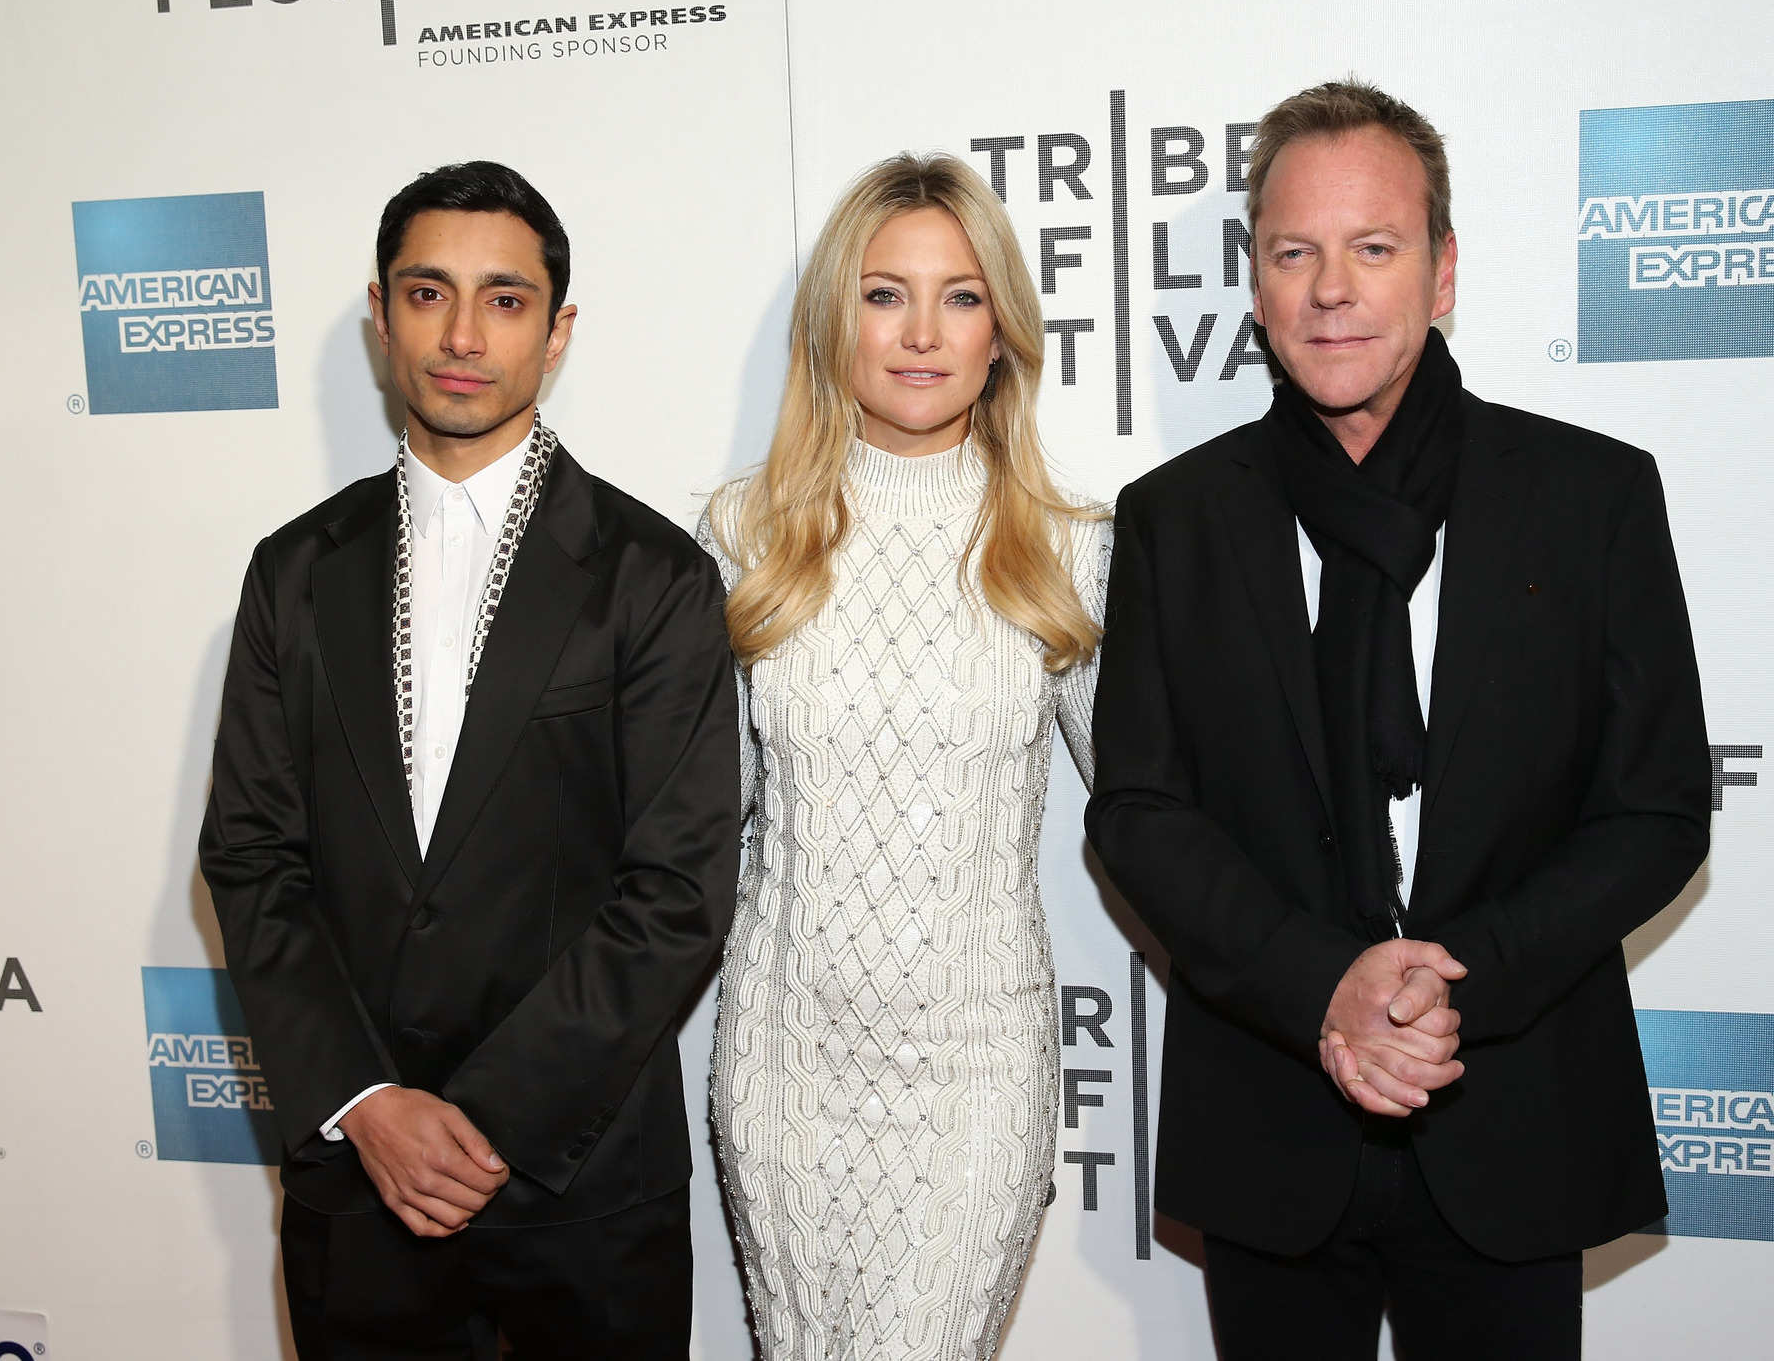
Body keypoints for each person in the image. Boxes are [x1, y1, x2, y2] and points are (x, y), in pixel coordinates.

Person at [1085, 81, 1710, 1360]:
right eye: (1292, 252)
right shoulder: (1175, 519)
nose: (1329, 289)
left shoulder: (1590, 497)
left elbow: (1651, 811)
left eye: (1372, 248)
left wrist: (1444, 984)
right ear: (1253, 282)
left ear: (1440, 274)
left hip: (1512, 1110)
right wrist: (1324, 983)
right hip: (1269, 1119)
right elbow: (1140, 811)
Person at [198, 160, 739, 1360]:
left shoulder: (652, 576)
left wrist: (480, 1122)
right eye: (427, 292)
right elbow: (248, 857)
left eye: (503, 300)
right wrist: (366, 1104)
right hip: (358, 1176)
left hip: (580, 1181)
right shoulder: (292, 572)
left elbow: (677, 893)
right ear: (380, 317)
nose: (460, 334)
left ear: (556, 333)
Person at [700, 152, 1110, 1361]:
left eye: (961, 295)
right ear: (834, 321)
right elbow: (696, 819)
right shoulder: (739, 537)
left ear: (1004, 332)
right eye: (884, 294)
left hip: (979, 1068)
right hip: (783, 1062)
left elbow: (1154, 813)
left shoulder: (1067, 552)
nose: (921, 332)